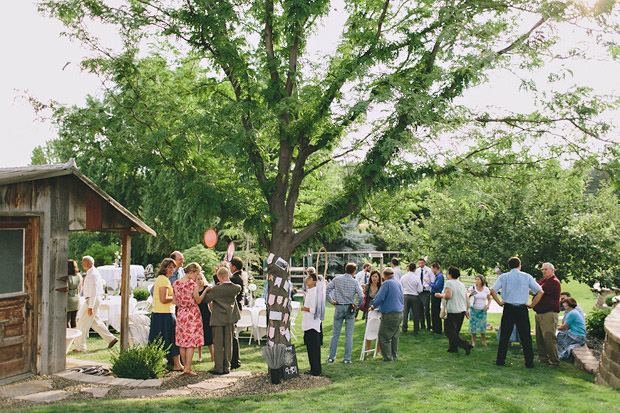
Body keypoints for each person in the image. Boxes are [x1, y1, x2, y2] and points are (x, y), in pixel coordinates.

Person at [490, 257, 543, 368]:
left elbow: (492, 290)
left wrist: (499, 302)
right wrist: (532, 305)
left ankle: (500, 360)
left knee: (505, 335)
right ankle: (529, 362)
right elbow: (540, 291)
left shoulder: (504, 277)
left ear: (509, 266)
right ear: (520, 265)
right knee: (525, 336)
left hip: (508, 308)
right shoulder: (526, 276)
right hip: (521, 309)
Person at [201, 267, 242, 375]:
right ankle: (227, 366)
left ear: (220, 277)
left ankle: (218, 368)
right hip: (230, 318)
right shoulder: (236, 288)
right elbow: (235, 288)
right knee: (229, 343)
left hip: (218, 318)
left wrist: (208, 290)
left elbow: (205, 300)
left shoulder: (216, 290)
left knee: (218, 344)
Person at [74, 256, 118, 352]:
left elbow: (93, 291)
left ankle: (80, 347)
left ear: (87, 264)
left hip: (92, 300)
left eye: (82, 262)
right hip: (93, 299)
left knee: (82, 322)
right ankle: (110, 339)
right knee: (95, 322)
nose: (81, 264)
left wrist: (90, 306)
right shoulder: (93, 272)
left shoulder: (92, 274)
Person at [326, 263, 365, 364]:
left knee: (335, 334)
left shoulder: (337, 279)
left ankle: (331, 357)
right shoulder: (354, 282)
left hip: (339, 307)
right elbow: (361, 296)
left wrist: (331, 301)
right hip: (349, 308)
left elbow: (326, 290)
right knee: (349, 335)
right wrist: (357, 305)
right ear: (354, 271)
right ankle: (347, 358)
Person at [148, 258, 183, 371]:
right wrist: (175, 297)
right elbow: (163, 299)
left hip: (165, 312)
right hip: (163, 314)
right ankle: (173, 364)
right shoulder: (163, 280)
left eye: (173, 267)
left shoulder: (164, 279)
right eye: (170, 267)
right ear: (165, 268)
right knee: (166, 339)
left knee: (169, 339)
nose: (172, 270)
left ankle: (175, 364)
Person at [173, 262, 206, 377]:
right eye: (196, 274)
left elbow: (174, 301)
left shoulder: (176, 283)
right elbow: (198, 300)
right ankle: (187, 367)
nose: (197, 277)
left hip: (181, 313)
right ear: (191, 272)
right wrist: (205, 292)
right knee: (191, 343)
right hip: (192, 313)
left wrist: (182, 306)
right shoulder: (192, 285)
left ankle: (185, 368)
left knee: (182, 342)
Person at [435, 266, 472, 355]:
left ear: (450, 274)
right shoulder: (461, 284)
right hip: (461, 309)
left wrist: (439, 295)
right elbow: (466, 297)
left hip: (453, 310)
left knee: (449, 331)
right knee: (456, 331)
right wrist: (467, 309)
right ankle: (453, 348)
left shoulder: (449, 283)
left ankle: (466, 345)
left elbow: (448, 296)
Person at [369, 268, 404, 361]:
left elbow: (380, 297)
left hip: (390, 314)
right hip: (400, 313)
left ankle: (388, 358)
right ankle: (394, 355)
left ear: (384, 276)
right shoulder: (398, 283)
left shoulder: (387, 283)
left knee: (384, 336)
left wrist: (373, 305)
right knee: (394, 336)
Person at [533, 262, 561, 366]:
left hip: (549, 313)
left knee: (548, 337)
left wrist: (531, 291)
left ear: (552, 270)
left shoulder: (553, 282)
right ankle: (543, 358)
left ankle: (554, 360)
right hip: (539, 313)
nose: (543, 271)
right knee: (539, 337)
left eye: (546, 269)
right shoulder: (543, 280)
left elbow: (537, 291)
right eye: (542, 270)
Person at [302, 271, 325, 376]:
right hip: (308, 323)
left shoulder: (315, 292)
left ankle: (315, 370)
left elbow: (315, 309)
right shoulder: (310, 291)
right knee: (310, 348)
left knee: (313, 348)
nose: (307, 280)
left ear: (314, 281)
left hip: (312, 324)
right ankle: (314, 368)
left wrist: (304, 308)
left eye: (310, 279)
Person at [228, 257, 245, 369]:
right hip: (238, 306)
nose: (229, 268)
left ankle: (235, 360)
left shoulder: (234, 278)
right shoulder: (239, 276)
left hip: (234, 308)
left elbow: (227, 288)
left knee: (233, 334)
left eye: (230, 266)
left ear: (234, 267)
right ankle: (234, 359)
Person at [467, 275, 491, 346]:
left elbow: (489, 299)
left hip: (482, 310)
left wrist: (487, 305)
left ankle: (483, 341)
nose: (476, 281)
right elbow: (466, 295)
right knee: (473, 326)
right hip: (474, 309)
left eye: (478, 279)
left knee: (482, 325)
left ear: (482, 280)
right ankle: (473, 342)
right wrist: (470, 295)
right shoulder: (472, 288)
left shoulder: (486, 289)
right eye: (476, 279)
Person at [363, 270, 382, 354]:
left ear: (379, 278)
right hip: (369, 309)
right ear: (370, 277)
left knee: (379, 330)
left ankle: (378, 350)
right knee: (369, 329)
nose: (374, 278)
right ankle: (368, 349)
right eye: (373, 276)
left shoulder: (381, 287)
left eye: (376, 276)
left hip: (379, 309)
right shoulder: (367, 286)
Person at [400, 263, 423, 335]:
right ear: (415, 269)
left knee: (405, 313)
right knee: (415, 313)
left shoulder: (403, 277)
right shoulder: (416, 277)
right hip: (414, 296)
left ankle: (404, 329)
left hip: (405, 295)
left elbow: (400, 287)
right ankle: (416, 329)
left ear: (408, 268)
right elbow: (420, 289)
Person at [196, 272, 214, 363]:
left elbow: (210, 303)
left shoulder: (206, 288)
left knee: (208, 333)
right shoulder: (194, 289)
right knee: (199, 334)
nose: (199, 281)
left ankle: (212, 354)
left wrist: (212, 312)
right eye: (198, 279)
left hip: (206, 313)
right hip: (197, 313)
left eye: (201, 279)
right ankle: (200, 355)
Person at [415, 258, 435, 331]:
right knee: (420, 309)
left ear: (424, 263)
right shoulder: (417, 271)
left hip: (426, 291)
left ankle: (429, 325)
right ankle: (422, 325)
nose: (421, 264)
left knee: (426, 309)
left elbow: (432, 281)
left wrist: (425, 286)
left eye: (422, 263)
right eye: (419, 263)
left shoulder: (429, 270)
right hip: (419, 292)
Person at [428, 262, 444, 334]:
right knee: (434, 312)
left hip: (436, 295)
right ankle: (435, 328)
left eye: (432, 268)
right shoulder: (437, 276)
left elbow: (436, 286)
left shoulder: (440, 276)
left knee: (435, 312)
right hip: (434, 294)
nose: (431, 270)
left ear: (435, 268)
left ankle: (437, 329)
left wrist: (429, 283)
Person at [66, 259, 82, 328]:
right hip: (76, 298)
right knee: (74, 320)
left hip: (69, 299)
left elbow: (67, 289)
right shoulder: (79, 276)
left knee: (66, 320)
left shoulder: (67, 278)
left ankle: (69, 336)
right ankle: (75, 337)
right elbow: (80, 288)